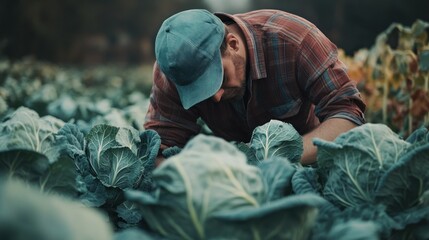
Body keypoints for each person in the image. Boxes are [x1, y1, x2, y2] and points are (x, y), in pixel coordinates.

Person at [144, 9, 366, 165]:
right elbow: (158, 147)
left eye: (218, 80)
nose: (217, 97)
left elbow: (347, 117)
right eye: (199, 90)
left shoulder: (295, 40)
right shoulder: (175, 70)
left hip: (306, 163)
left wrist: (275, 160)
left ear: (233, 44)